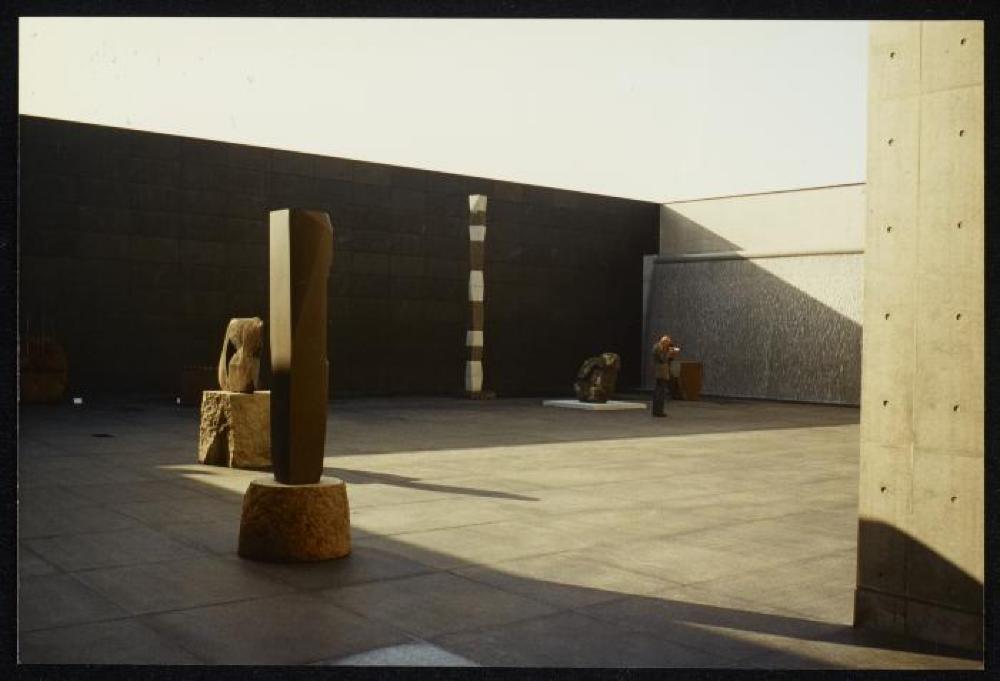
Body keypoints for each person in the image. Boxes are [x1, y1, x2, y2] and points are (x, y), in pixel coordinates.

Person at [651, 335, 679, 417]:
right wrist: (669, 353)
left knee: (660, 392)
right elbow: (662, 359)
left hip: (663, 371)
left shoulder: (662, 348)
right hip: (660, 372)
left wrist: (672, 354)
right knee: (659, 392)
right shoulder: (657, 347)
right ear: (663, 341)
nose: (668, 344)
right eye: (667, 342)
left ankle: (658, 411)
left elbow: (668, 360)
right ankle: (658, 411)